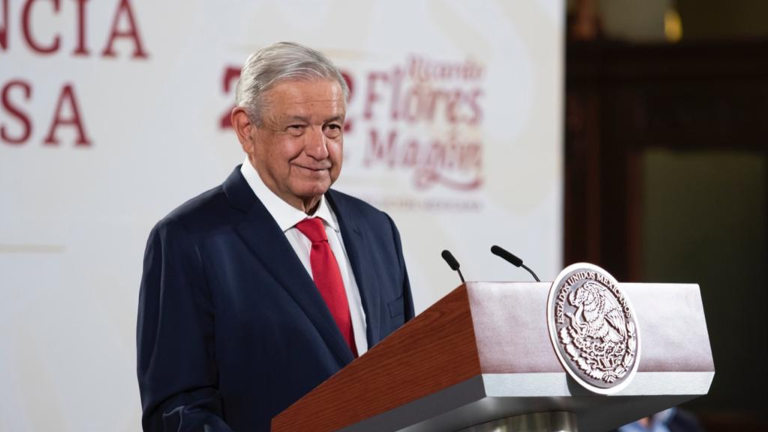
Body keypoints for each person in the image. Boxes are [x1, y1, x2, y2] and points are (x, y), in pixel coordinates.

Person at [136, 41, 415, 432]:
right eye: (297, 128)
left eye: (332, 127)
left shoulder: (376, 229)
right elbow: (178, 412)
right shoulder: (188, 240)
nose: (319, 149)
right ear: (246, 130)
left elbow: (411, 376)